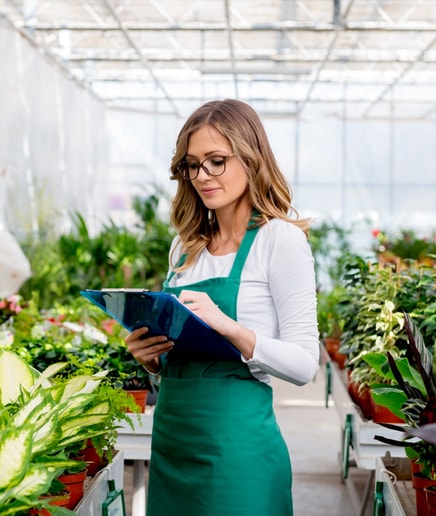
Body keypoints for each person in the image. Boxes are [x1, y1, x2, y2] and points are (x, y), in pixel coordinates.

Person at [124, 99, 320, 516]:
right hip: (173, 446)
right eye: (192, 165)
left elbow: (305, 365)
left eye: (216, 161)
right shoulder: (185, 247)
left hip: (238, 454)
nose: (202, 176)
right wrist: (151, 360)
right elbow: (182, 352)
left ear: (250, 158)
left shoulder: (279, 241)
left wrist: (230, 328)